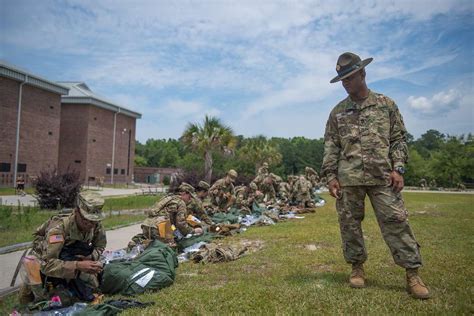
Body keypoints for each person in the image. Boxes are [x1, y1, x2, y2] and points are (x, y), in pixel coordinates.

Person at [321, 52, 429, 299]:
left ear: (362, 74)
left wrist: (398, 167)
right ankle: (356, 268)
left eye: (349, 77)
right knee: (350, 226)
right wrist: (330, 176)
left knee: (397, 222)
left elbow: (398, 139)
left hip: (383, 177)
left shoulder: (385, 104)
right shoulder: (337, 112)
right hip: (349, 179)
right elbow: (331, 146)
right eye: (343, 80)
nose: (346, 83)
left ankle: (413, 274)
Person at [19, 192, 107, 304]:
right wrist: (78, 265)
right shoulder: (59, 229)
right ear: (76, 212)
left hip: (69, 260)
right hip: (43, 261)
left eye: (94, 221)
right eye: (86, 220)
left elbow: (100, 245)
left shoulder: (96, 225)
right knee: (44, 301)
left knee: (93, 287)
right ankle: (30, 289)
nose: (90, 224)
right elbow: (47, 264)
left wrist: (90, 257)